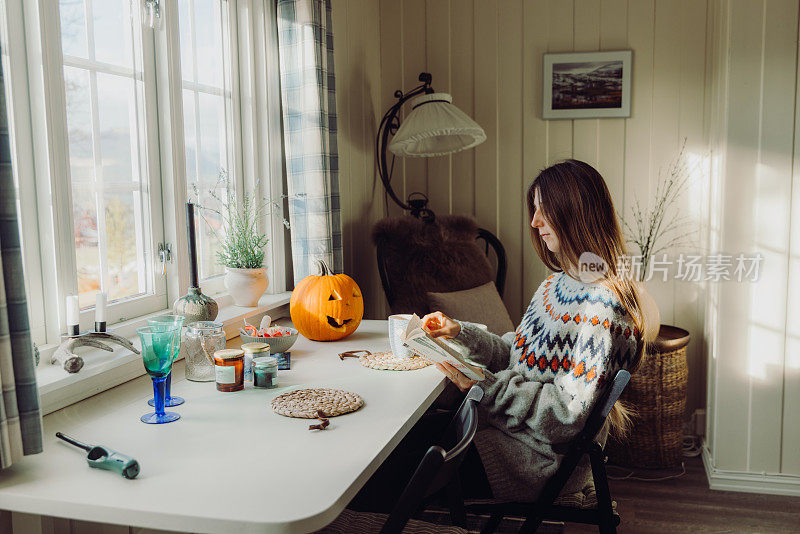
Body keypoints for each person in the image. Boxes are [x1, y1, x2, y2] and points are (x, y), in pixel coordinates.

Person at [351, 159, 658, 510]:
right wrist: (460, 332)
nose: (534, 221)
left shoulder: (603, 309)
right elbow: (517, 356)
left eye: (545, 210)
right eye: (535, 209)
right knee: (383, 447)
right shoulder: (554, 285)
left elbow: (566, 417)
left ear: (576, 212)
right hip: (502, 434)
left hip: (533, 463)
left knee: (376, 478)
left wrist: (488, 385)